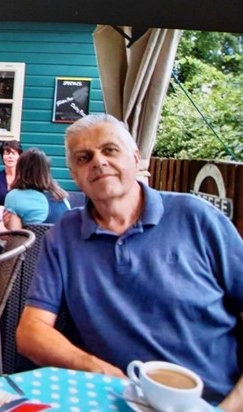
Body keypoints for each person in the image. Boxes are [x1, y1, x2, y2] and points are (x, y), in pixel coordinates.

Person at [16, 113, 243, 410]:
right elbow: (31, 333)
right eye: (84, 158)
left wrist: (230, 407)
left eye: (109, 150)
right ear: (75, 176)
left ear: (135, 158)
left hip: (215, 399)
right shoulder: (64, 237)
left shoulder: (197, 218)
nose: (98, 161)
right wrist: (97, 369)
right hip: (119, 401)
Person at [2, 147, 70, 230]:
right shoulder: (62, 197)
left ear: (21, 170)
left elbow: (15, 239)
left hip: (36, 242)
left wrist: (7, 227)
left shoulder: (14, 196)